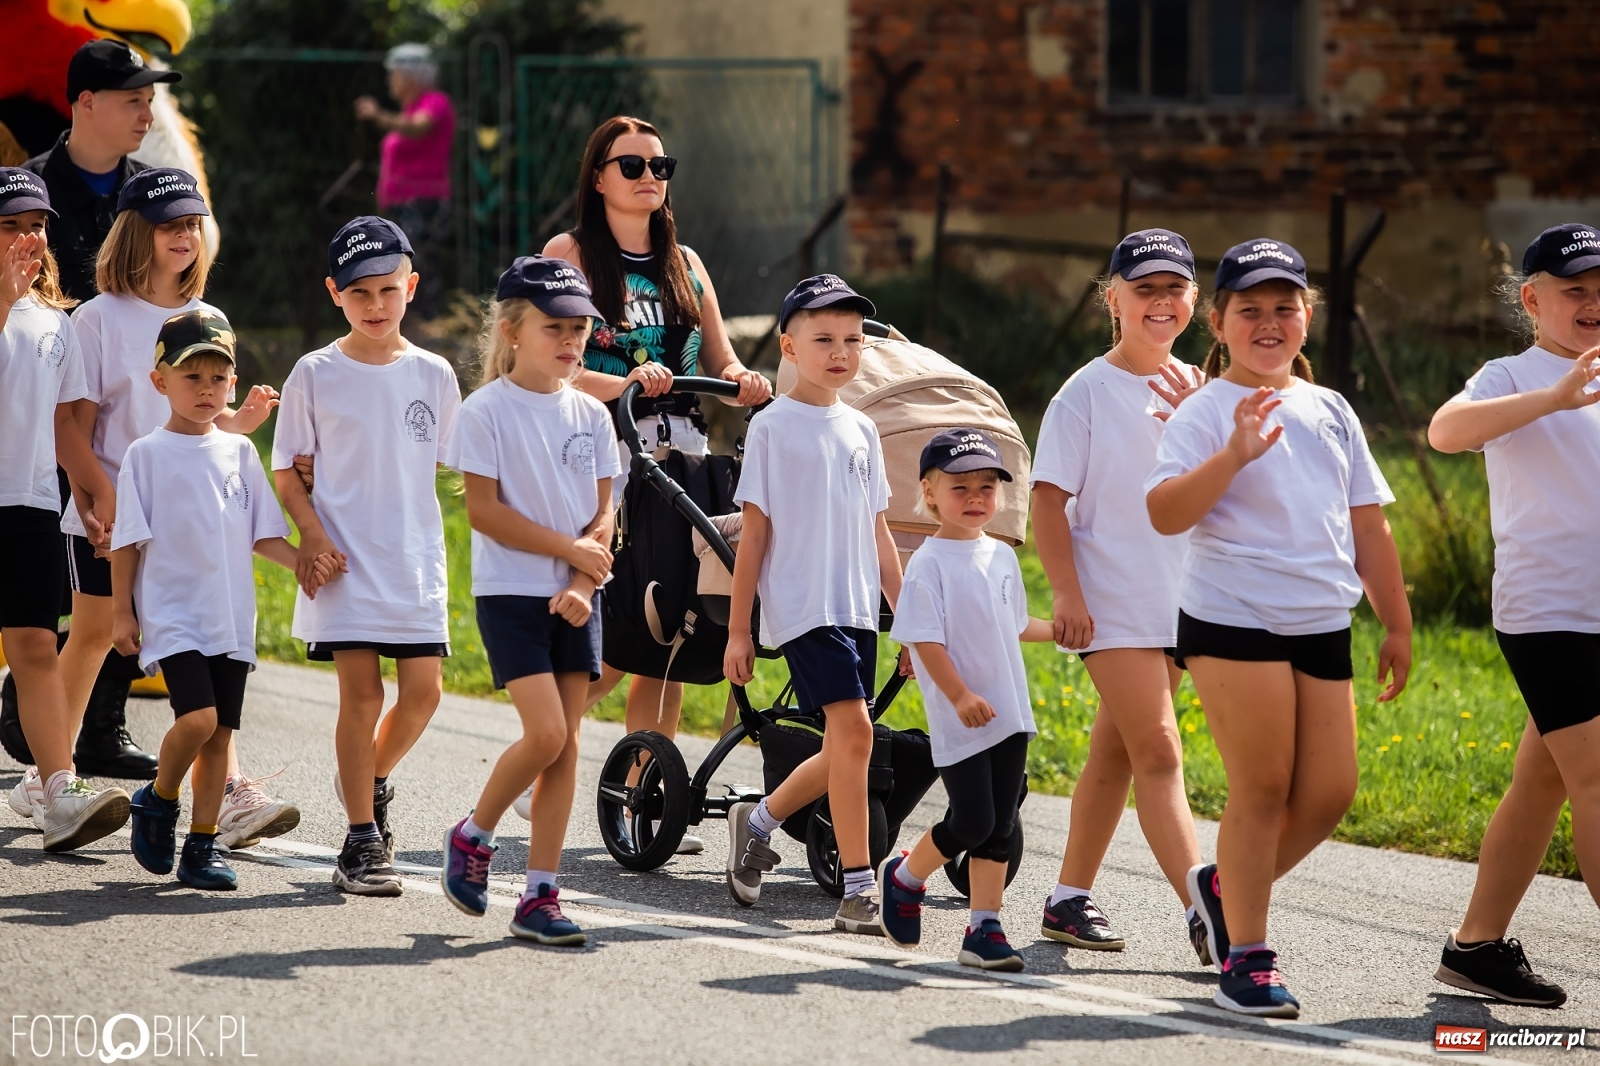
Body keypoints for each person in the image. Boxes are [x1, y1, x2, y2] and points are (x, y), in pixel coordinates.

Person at [1145, 238, 1412, 1019]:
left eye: (1284, 308)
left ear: (1307, 318)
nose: (1270, 322)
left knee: (1330, 792)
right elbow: (1164, 514)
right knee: (1261, 788)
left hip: (1322, 619)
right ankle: (1248, 958)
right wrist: (1231, 455)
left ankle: (1224, 885)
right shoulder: (1202, 413)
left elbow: (1369, 524)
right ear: (1219, 324)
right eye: (1249, 310)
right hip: (1233, 616)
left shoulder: (1330, 408)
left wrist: (1394, 620)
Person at [40, 168, 296, 852]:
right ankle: (51, 774)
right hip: (110, 509)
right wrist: (101, 501)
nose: (186, 235)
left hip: (185, 521)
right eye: (170, 224)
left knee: (214, 648)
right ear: (135, 233)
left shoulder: (204, 319)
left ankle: (234, 790)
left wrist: (240, 423)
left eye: (193, 223)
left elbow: (201, 430)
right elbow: (71, 430)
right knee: (93, 634)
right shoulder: (95, 318)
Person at [540, 116, 770, 849]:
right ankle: (543, 756)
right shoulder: (570, 254)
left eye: (660, 165)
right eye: (632, 165)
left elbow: (724, 359)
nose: (649, 177)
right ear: (598, 177)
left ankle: (647, 795)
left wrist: (745, 382)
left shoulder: (686, 262)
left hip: (682, 459)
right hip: (601, 456)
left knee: (667, 627)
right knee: (610, 647)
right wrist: (626, 380)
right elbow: (556, 365)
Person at [1425, 223, 1600, 1009]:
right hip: (1550, 613)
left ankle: (1476, 949)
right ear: (1534, 300)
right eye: (1575, 290)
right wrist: (1555, 396)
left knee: (1543, 783)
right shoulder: (1508, 375)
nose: (1592, 303)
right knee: (1596, 778)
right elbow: (1444, 431)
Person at [4, 39, 181, 776]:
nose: (148, 111)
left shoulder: (153, 192)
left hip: (129, 417)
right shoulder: (28, 193)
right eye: (133, 98)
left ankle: (94, 730)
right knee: (72, 608)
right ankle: (48, 723)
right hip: (39, 421)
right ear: (84, 104)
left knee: (109, 600)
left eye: (151, 98)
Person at [1029, 230, 1208, 959]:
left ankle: (1068, 898)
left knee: (1119, 751)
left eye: (1176, 289)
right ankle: (1207, 907)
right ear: (1113, 299)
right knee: (1161, 751)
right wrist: (1065, 593)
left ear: (1195, 299)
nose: (1161, 303)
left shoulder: (1201, 386)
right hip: (1110, 601)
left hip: (1180, 601)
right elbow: (1046, 501)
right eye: (1145, 289)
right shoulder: (1086, 393)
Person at [114, 311, 338, 890]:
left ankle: (201, 846)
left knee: (219, 738)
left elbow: (261, 534)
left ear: (232, 384)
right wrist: (121, 611)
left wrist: (302, 564)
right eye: (193, 378)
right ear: (161, 380)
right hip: (175, 616)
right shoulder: (147, 455)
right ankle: (159, 800)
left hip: (231, 620)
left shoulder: (238, 453)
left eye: (219, 379)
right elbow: (127, 542)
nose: (207, 390)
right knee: (198, 719)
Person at [271, 215, 461, 897]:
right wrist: (312, 537)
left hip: (414, 562)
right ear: (334, 293)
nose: (375, 305)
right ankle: (359, 839)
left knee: (424, 694)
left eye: (388, 289)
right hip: (342, 563)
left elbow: (457, 467)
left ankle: (369, 780)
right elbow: (287, 471)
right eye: (359, 294)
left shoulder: (435, 374)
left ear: (411, 286)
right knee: (362, 693)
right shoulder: (314, 373)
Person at [439, 257, 620, 945]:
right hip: (513, 594)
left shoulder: (593, 416)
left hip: (577, 596)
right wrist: (568, 555)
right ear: (513, 331)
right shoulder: (485, 412)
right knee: (544, 734)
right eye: (556, 328)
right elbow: (485, 514)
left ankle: (539, 895)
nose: (572, 341)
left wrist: (581, 579)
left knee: (568, 748)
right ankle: (474, 834)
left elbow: (606, 517)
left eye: (579, 329)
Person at [723, 274, 902, 934]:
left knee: (847, 745)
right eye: (823, 338)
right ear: (789, 346)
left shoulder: (862, 430)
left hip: (856, 609)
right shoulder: (773, 428)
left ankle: (761, 819)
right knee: (855, 732)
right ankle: (859, 891)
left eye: (852, 340)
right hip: (803, 605)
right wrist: (739, 631)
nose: (840, 352)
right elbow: (756, 535)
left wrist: (910, 617)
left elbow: (877, 532)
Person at [877, 429, 1054, 970]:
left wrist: (1068, 630)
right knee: (973, 822)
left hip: (1010, 712)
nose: (976, 497)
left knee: (1000, 825)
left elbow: (1017, 624)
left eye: (987, 485)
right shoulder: (929, 565)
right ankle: (906, 876)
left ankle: (985, 928)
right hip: (963, 716)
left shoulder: (1001, 556)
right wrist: (958, 695)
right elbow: (924, 638)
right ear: (929, 492)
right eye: (960, 487)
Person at [0, 167, 131, 852]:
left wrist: (94, 491)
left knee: (35, 647)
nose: (29, 237)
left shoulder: (55, 323)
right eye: (11, 226)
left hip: (29, 505)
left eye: (37, 225)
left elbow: (65, 425)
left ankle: (57, 792)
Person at [355, 44, 454, 321]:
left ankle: (431, 326)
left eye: (394, 74)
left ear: (411, 77)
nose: (390, 81)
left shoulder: (435, 102)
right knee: (405, 264)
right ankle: (415, 324)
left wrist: (378, 116)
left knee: (420, 264)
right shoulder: (408, 110)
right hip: (401, 206)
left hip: (424, 204)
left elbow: (418, 128)